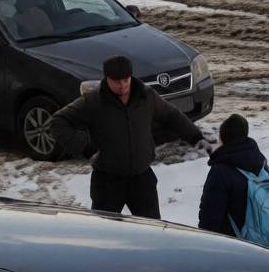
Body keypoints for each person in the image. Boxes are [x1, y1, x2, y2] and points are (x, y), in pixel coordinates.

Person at [51, 55, 202, 219]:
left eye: (125, 80)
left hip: (142, 179)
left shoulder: (146, 96)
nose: (122, 85)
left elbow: (171, 115)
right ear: (107, 79)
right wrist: (85, 147)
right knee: (104, 231)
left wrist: (195, 136)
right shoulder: (94, 102)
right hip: (107, 182)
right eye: (116, 81)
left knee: (152, 230)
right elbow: (58, 122)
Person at [198, 113, 269, 237]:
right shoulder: (265, 170)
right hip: (266, 245)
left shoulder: (220, 173)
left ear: (223, 138)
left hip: (232, 249)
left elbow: (209, 222)